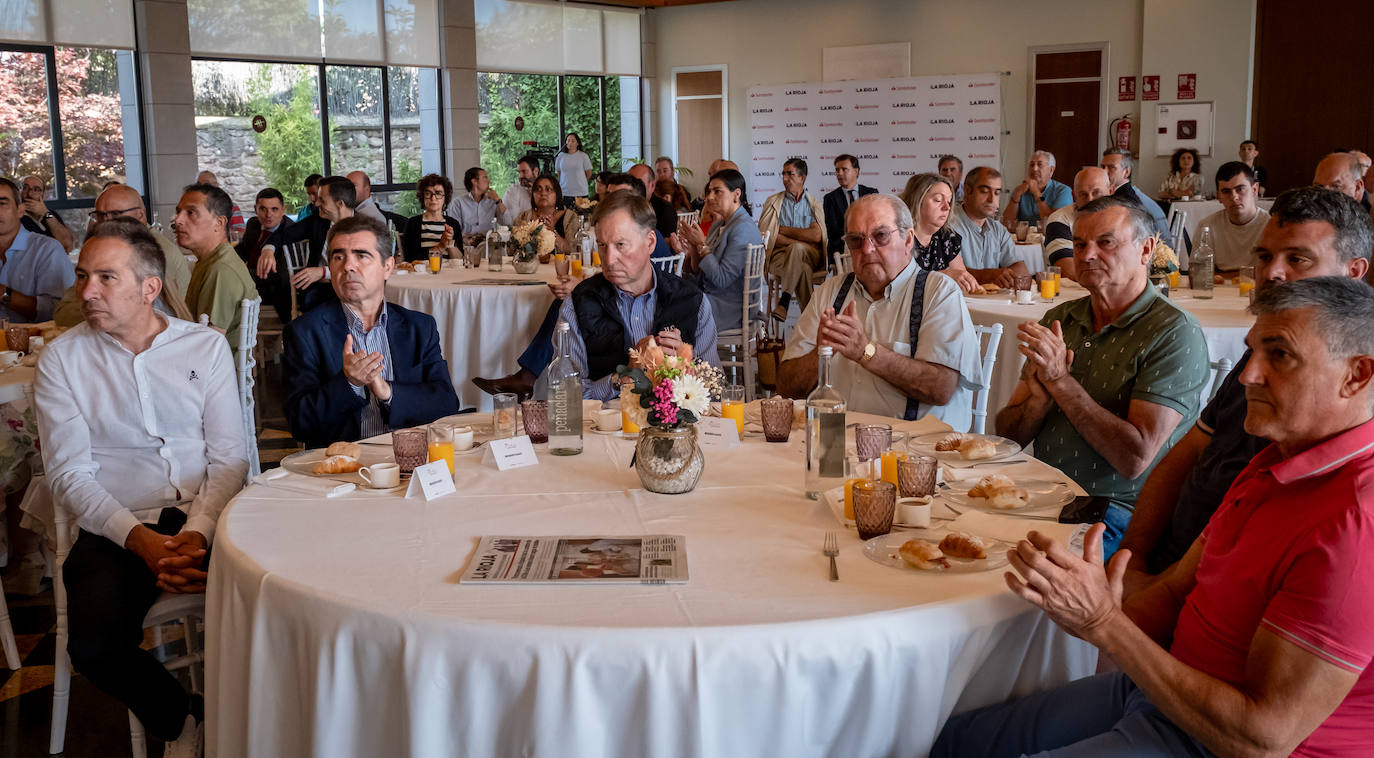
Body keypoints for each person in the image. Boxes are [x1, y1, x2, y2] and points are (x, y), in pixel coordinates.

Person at [935, 276, 1374, 758]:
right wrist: (1078, 602)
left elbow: (1261, 739)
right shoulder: (1275, 460)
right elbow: (1172, 592)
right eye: (1251, 353)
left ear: (1357, 375)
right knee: (948, 741)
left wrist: (1104, 623)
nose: (1249, 375)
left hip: (1213, 741)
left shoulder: (1354, 524)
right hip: (1164, 691)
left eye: (1280, 355)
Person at [36, 218, 249, 758]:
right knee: (95, 646)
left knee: (282, 600)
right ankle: (182, 719)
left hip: (209, 515)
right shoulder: (63, 360)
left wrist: (197, 534)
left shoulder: (203, 348)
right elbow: (68, 475)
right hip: (116, 520)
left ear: (149, 288)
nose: (87, 291)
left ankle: (263, 722)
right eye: (84, 276)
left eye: (106, 278)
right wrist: (139, 540)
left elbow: (229, 459)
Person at [1119, 187, 1372, 588]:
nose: (1272, 272)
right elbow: (1184, 457)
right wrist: (1132, 557)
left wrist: (1154, 591)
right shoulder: (1263, 351)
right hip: (1168, 568)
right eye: (1264, 256)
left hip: (1216, 592)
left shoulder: (1343, 387)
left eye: (1297, 259)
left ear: (1353, 273)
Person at [995, 196, 1209, 557]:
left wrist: (1060, 383)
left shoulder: (1174, 332)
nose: (1087, 254)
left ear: (1146, 250)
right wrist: (1039, 400)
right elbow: (1009, 436)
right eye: (1079, 244)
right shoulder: (1060, 320)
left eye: (1105, 242)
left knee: (1009, 576)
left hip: (1113, 510)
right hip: (1041, 495)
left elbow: (1133, 459)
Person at [777, 194, 982, 430]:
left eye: (881, 236)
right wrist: (820, 353)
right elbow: (785, 388)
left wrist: (866, 351)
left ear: (908, 240)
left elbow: (941, 388)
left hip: (913, 453)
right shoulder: (830, 293)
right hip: (836, 443)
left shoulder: (938, 293)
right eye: (856, 240)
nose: (867, 248)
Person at [472, 176, 671, 400]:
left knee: (566, 303)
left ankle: (528, 374)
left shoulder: (680, 292)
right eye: (610, 196)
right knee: (569, 304)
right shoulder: (526, 218)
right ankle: (528, 374)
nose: (613, 202)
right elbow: (570, 396)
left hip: (663, 402)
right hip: (601, 408)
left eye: (621, 197)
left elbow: (654, 280)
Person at [283, 215, 460, 448]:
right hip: (344, 469)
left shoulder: (419, 327)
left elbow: (446, 403)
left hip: (411, 460)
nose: (348, 266)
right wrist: (350, 383)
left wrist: (387, 392)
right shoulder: (306, 332)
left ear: (387, 267)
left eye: (361, 255)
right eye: (338, 256)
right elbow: (300, 424)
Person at [558, 190, 718, 400]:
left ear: (650, 243)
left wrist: (686, 367)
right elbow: (566, 395)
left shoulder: (691, 301)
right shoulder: (579, 304)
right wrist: (624, 377)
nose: (609, 259)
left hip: (675, 429)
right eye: (602, 246)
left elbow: (716, 392)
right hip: (605, 428)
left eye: (621, 245)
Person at [54, 183, 192, 326]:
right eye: (100, 215)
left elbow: (139, 319)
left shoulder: (156, 252)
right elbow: (62, 313)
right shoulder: (102, 251)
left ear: (141, 214)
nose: (107, 222)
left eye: (116, 214)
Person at [675, 168, 764, 331]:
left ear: (736, 194)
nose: (709, 197)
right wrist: (694, 245)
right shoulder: (720, 223)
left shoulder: (743, 228)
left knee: (668, 310)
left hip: (730, 308)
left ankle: (682, 355)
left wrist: (702, 244)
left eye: (717, 192)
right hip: (711, 298)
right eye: (709, 191)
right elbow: (698, 270)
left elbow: (721, 279)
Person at [175, 183, 257, 349]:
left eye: (191, 212)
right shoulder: (209, 260)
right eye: (179, 212)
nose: (178, 220)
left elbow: (208, 346)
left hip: (216, 372)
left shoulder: (221, 269)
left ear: (219, 223)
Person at [262, 175, 354, 315]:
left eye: (322, 200)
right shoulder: (317, 221)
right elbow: (283, 234)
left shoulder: (364, 228)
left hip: (351, 288)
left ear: (339, 204)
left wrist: (324, 272)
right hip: (319, 290)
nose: (316, 204)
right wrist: (268, 250)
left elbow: (359, 266)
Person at [758, 158, 827, 319]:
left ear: (802, 178)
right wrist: (801, 242)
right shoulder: (773, 202)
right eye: (783, 174)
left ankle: (784, 301)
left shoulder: (814, 204)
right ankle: (813, 322)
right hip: (779, 257)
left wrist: (785, 231)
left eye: (790, 174)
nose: (785, 178)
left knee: (798, 251)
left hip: (811, 256)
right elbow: (769, 236)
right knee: (802, 267)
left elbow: (816, 236)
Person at [0, 177, 74, 322]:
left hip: (35, 341)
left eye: (1, 203)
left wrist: (5, 294)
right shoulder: (24, 219)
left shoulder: (47, 248)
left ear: (19, 210)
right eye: (25, 187)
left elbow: (63, 313)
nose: (30, 193)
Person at [897, 173, 979, 293]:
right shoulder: (897, 238)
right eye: (938, 200)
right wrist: (940, 276)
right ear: (917, 200)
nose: (947, 207)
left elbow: (963, 283)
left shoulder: (947, 237)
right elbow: (895, 287)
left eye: (949, 201)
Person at [948, 167, 1027, 288]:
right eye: (985, 191)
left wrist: (1007, 276)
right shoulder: (947, 225)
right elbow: (948, 272)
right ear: (968, 191)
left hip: (992, 302)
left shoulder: (998, 230)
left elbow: (1021, 269)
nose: (992, 199)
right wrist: (988, 275)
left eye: (997, 193)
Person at [1041, 167, 1113, 281]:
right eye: (1083, 194)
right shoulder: (1060, 219)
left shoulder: (1124, 220)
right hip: (1075, 292)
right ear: (1074, 196)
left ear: (1111, 192)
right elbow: (1067, 270)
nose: (1090, 200)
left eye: (1096, 193)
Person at [234, 187, 295, 321]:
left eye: (274, 209)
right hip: (249, 281)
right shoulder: (253, 224)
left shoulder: (291, 231)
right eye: (263, 209)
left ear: (283, 210)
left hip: (274, 289)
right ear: (255, 209)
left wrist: (243, 274)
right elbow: (243, 249)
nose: (268, 215)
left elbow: (281, 275)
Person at [1196, 161, 1269, 273]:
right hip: (1218, 288)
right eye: (1226, 191)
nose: (1234, 197)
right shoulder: (1206, 226)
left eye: (1240, 189)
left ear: (1255, 190)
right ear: (1219, 196)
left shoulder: (1271, 225)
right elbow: (1199, 274)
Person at [1101, 148, 1171, 241]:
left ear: (1126, 172)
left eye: (1111, 167)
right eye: (1103, 167)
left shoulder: (1128, 199)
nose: (1104, 172)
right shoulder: (1125, 193)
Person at [822, 154, 877, 266]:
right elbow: (832, 230)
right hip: (842, 246)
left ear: (856, 172)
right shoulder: (830, 198)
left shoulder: (871, 194)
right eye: (837, 170)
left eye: (844, 169)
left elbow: (875, 222)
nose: (839, 173)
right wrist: (854, 238)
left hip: (868, 243)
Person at [512, 174, 581, 255]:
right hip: (530, 266)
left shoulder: (570, 217)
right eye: (538, 189)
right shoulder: (523, 217)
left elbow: (573, 250)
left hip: (559, 266)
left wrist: (552, 232)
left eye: (548, 189)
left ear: (557, 194)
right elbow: (512, 249)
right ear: (533, 194)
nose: (543, 193)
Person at [401, 173, 461, 263]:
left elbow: (459, 260)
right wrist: (440, 247)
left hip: (449, 273)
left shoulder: (453, 224)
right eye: (428, 194)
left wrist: (449, 243)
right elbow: (410, 258)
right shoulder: (413, 223)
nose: (433, 198)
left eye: (438, 193)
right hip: (422, 274)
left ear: (445, 197)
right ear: (423, 197)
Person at [1003, 150, 1072, 226]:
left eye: (1040, 165)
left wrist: (1036, 193)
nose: (1034, 169)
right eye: (1032, 165)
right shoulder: (1021, 190)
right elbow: (1007, 223)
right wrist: (1015, 198)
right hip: (1023, 237)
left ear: (1051, 170)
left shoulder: (1063, 191)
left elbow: (1055, 223)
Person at [448, 166, 505, 245]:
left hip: (488, 246)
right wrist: (467, 241)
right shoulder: (458, 203)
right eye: (485, 178)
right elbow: (454, 232)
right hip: (466, 246)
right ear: (474, 181)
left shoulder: (492, 201)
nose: (489, 181)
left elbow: (505, 221)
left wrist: (498, 200)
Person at [19, 175, 75, 251]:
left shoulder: (49, 214)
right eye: (25, 188)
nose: (30, 193)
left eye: (36, 189)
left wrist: (45, 213)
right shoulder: (14, 217)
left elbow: (68, 245)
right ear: (18, 191)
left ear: (43, 195)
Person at [628, 162, 679, 242]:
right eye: (630, 184)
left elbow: (668, 243)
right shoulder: (623, 207)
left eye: (639, 184)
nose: (632, 189)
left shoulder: (665, 209)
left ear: (652, 186)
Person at [194, 171, 245, 241]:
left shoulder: (232, 207)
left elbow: (240, 235)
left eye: (206, 184)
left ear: (216, 186)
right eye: (198, 184)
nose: (201, 188)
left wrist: (218, 228)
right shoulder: (192, 208)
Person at [501, 155, 539, 226]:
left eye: (524, 172)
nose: (520, 176)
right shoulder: (512, 191)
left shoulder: (547, 190)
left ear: (536, 171)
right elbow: (511, 222)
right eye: (519, 172)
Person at [555, 132, 593, 199]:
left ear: (577, 143)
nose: (570, 143)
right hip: (564, 192)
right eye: (568, 140)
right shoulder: (560, 156)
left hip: (580, 193)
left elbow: (589, 173)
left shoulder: (583, 156)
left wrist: (580, 183)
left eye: (573, 141)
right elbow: (559, 173)